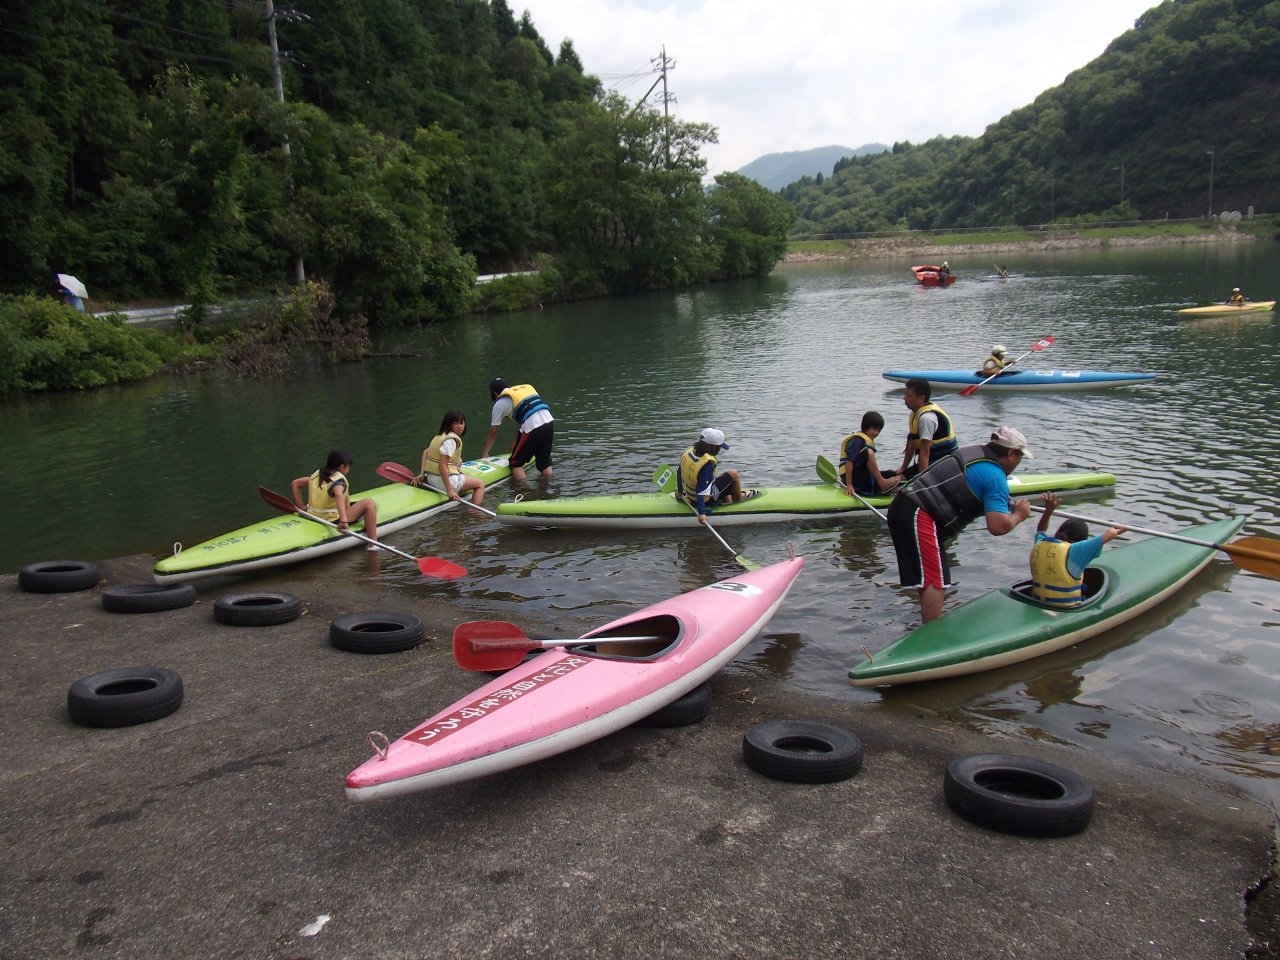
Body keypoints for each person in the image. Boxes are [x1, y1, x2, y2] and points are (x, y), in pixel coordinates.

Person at [887, 425, 1035, 624]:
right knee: (936, 580)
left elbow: (971, 488)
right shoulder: (995, 476)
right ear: (1011, 454)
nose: (1019, 462)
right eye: (1020, 456)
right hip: (918, 512)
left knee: (930, 575)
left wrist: (998, 501)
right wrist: (1019, 514)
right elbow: (998, 526)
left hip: (905, 505)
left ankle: (926, 626)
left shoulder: (976, 454)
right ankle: (930, 639)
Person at [1029, 491, 1126, 607]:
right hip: (1063, 608)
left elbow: (1041, 530)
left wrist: (1048, 511)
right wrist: (1120, 528)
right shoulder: (1076, 550)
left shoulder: (1040, 543)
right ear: (1080, 540)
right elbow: (1110, 533)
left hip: (1036, 601)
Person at [290, 450, 379, 547]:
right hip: (332, 519)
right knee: (369, 503)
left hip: (312, 516)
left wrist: (302, 508)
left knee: (355, 503)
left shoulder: (317, 476)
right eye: (348, 466)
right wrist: (343, 521)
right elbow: (338, 494)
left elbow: (295, 483)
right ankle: (373, 545)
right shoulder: (338, 481)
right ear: (342, 467)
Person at [676, 428, 758, 525]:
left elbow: (679, 473)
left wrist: (680, 492)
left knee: (723, 478)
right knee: (734, 474)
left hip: (690, 495)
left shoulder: (689, 454)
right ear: (713, 447)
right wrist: (702, 513)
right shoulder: (707, 465)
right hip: (704, 499)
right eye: (719, 447)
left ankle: (730, 497)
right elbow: (701, 491)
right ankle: (738, 500)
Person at [480, 377, 554, 483]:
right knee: (544, 462)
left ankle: (523, 492)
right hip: (549, 422)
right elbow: (521, 424)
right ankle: (548, 488)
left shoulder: (499, 404)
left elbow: (492, 433)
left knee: (515, 463)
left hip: (533, 427)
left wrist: (485, 454)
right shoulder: (523, 391)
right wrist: (513, 446)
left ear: (495, 393)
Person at [418, 409, 486, 507]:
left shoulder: (440, 436)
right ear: (449, 424)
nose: (460, 426)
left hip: (431, 479)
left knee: (459, 460)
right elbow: (442, 466)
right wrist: (450, 490)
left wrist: (422, 473)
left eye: (462, 422)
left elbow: (425, 452)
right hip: (444, 482)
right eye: (456, 423)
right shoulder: (450, 441)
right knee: (480, 484)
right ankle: (474, 512)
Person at [897, 378, 958, 480]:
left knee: (893, 485)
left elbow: (925, 452)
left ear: (921, 398)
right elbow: (912, 442)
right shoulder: (916, 412)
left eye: (908, 395)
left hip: (943, 467)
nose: (904, 398)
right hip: (930, 463)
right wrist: (903, 468)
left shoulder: (927, 418)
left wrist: (922, 482)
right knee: (895, 477)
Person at [839, 412, 901, 497]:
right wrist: (849, 484)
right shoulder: (858, 440)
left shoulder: (865, 441)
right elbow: (849, 461)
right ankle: (882, 484)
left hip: (861, 476)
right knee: (869, 452)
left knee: (891, 474)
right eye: (874, 429)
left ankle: (883, 488)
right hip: (851, 479)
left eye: (879, 431)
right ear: (866, 426)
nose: (876, 433)